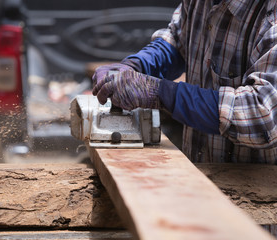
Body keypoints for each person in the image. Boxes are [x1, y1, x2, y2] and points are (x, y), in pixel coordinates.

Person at [92, 0, 277, 164]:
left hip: (256, 193)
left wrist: (160, 93)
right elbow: (178, 39)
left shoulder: (271, 16)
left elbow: (262, 114)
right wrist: (137, 65)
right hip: (199, 175)